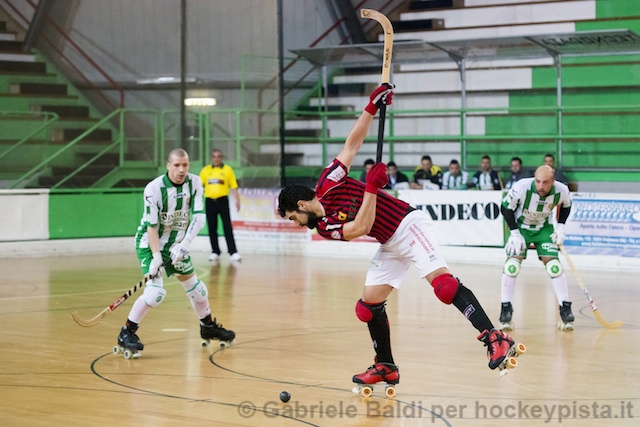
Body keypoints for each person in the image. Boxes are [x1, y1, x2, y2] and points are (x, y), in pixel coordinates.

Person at [277, 84, 518, 389]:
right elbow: (361, 227)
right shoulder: (324, 228)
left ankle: (495, 337)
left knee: (443, 287)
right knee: (368, 305)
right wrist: (371, 188)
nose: (297, 223)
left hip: (408, 224)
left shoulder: (329, 181)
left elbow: (352, 144)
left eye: (293, 217)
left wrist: (371, 107)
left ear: (301, 205)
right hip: (388, 242)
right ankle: (386, 366)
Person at [116, 148, 235, 358]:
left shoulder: (195, 183)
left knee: (198, 291)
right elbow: (152, 227)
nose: (181, 170)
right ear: (168, 166)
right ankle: (127, 332)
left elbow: (199, 217)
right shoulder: (153, 189)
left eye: (185, 165)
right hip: (149, 244)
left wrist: (184, 245)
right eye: (177, 165)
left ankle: (208, 326)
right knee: (155, 293)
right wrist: (155, 257)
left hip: (177, 246)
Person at [499, 165, 574, 331]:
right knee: (511, 266)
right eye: (538, 181)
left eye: (545, 182)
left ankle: (565, 310)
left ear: (553, 181)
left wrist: (561, 226)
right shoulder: (521, 187)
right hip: (520, 229)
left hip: (544, 229)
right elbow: (505, 207)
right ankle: (505, 310)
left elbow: (566, 206)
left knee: (554, 267)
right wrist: (514, 233)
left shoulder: (561, 190)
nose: (540, 186)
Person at [199, 149, 242, 263]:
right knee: (212, 227)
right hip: (209, 201)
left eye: (218, 156)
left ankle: (233, 252)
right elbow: (199, 186)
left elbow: (234, 186)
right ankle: (215, 251)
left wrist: (238, 200)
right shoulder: (205, 171)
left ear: (222, 158)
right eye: (214, 156)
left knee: (227, 226)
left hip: (222, 201)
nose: (216, 159)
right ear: (211, 158)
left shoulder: (227, 170)